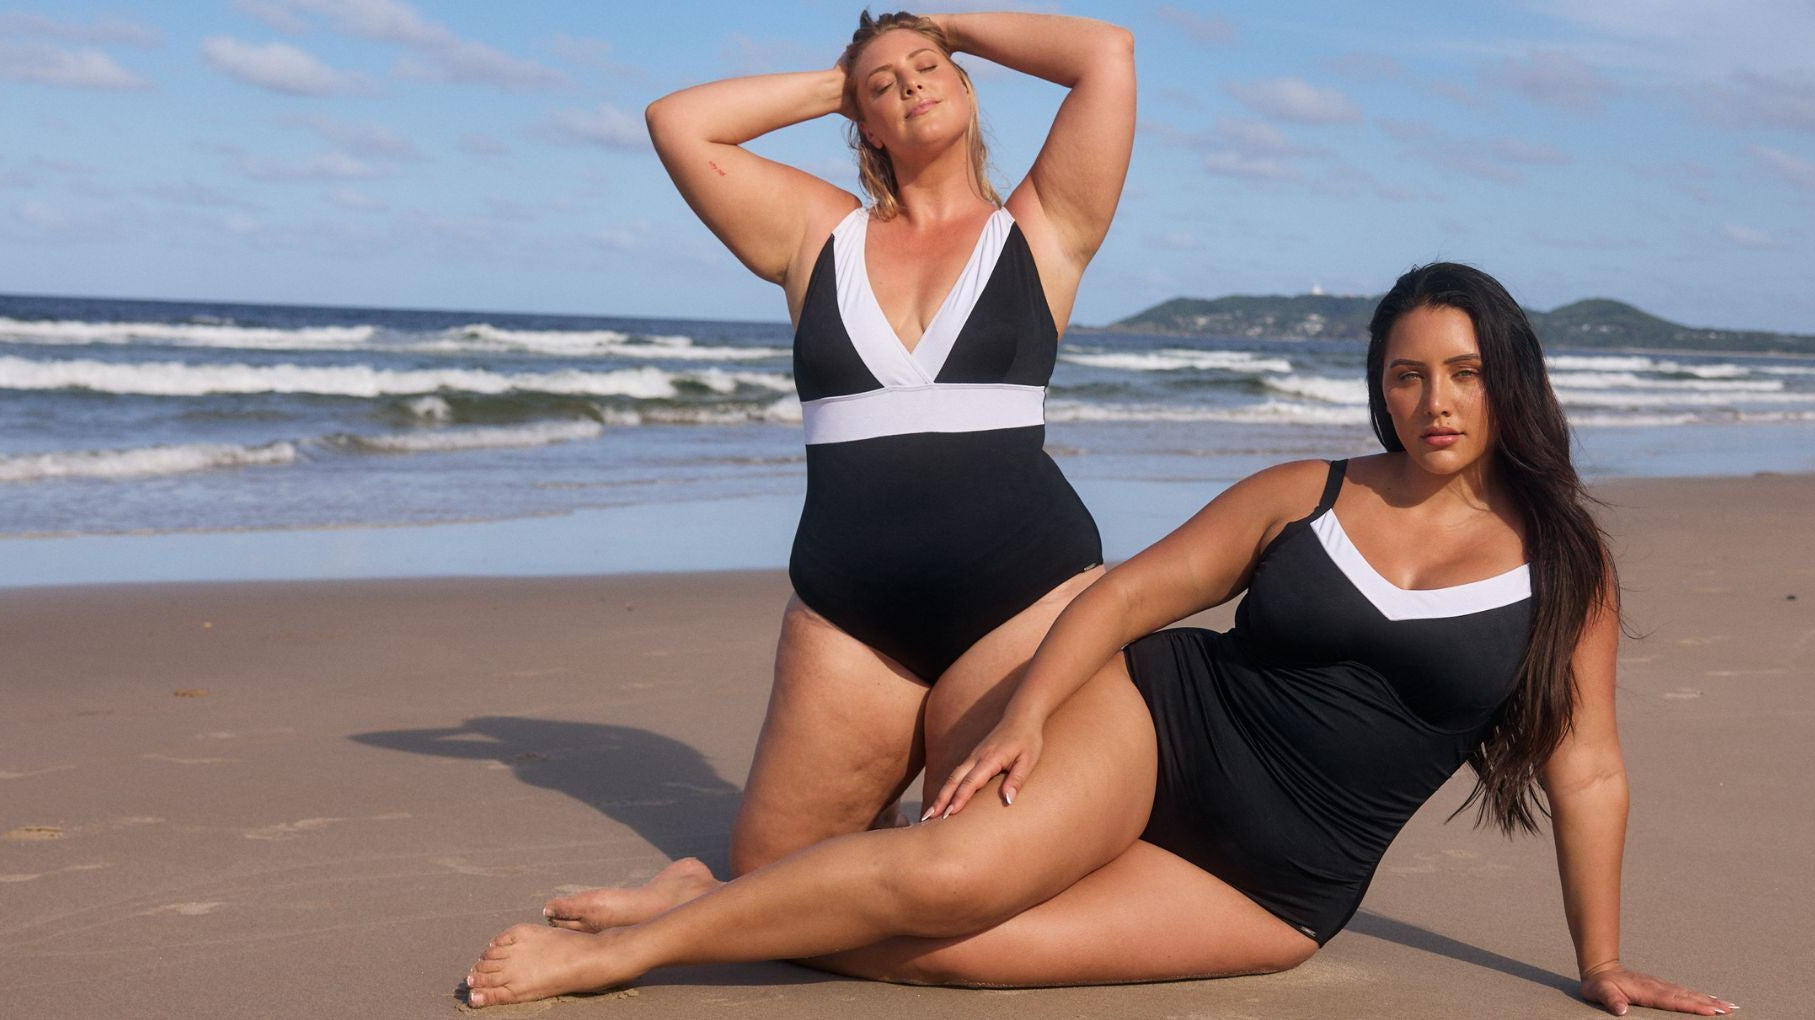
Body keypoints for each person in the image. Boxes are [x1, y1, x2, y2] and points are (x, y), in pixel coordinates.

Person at [464, 263, 1733, 1016]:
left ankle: (718, 892)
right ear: (1378, 387)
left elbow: (1590, 769)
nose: (1433, 402)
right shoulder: (1313, 492)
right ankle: (628, 955)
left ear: (1509, 378)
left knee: (943, 961)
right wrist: (1027, 713)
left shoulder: (1564, 567)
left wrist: (1603, 961)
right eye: (1407, 375)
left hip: (1279, 885)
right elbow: (1127, 598)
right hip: (1166, 729)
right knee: (949, 876)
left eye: (1460, 372)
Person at [545, 11, 1135, 925]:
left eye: (927, 70)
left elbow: (1104, 55)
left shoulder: (1041, 225)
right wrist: (852, 78)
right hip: (850, 615)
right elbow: (678, 122)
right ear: (860, 124)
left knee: (976, 883)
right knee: (771, 879)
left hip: (1024, 600)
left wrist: (942, 28)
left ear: (968, 85)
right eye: (883, 86)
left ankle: (862, 859)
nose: (909, 83)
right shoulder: (816, 235)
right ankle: (702, 891)